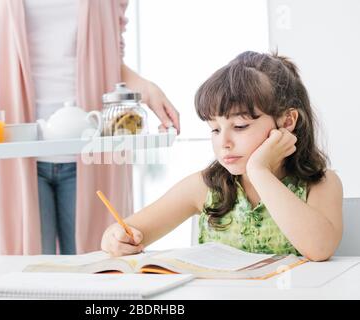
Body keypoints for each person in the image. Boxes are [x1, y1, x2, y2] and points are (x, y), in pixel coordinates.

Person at [0, 0, 179, 255]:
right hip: (11, 157)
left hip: (95, 154)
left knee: (99, 272)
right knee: (25, 281)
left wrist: (147, 90)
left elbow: (112, 62)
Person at [101, 51, 343, 262]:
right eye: (215, 129)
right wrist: (114, 239)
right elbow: (127, 230)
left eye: (239, 126)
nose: (223, 143)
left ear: (287, 121)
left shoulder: (321, 184)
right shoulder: (203, 187)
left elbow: (319, 249)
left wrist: (260, 171)